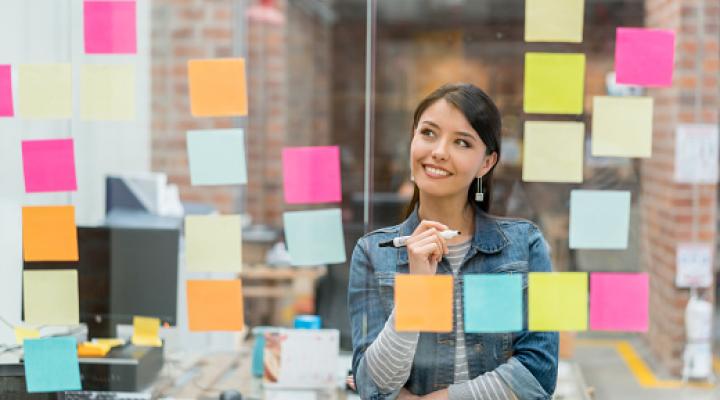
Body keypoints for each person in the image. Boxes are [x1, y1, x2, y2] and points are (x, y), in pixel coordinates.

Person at [348, 83, 558, 399]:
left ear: (486, 163)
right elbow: (373, 386)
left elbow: (538, 374)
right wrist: (417, 290)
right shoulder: (373, 254)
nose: (439, 151)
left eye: (462, 142)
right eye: (429, 133)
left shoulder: (525, 246)